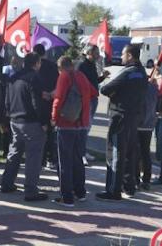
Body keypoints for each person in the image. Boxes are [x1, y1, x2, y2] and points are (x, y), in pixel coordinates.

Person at [96, 44, 147, 201]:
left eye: (124, 54)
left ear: (130, 56)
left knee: (116, 153)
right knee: (130, 154)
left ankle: (113, 191)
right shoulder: (142, 72)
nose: (122, 57)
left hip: (120, 116)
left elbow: (105, 89)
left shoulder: (127, 72)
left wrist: (114, 92)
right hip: (134, 116)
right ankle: (129, 187)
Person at [1, 52, 49, 201]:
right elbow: (37, 103)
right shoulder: (34, 78)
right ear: (36, 63)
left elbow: (7, 99)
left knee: (14, 152)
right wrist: (43, 122)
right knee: (33, 157)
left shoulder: (14, 77)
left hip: (15, 119)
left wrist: (7, 117)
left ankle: (7, 183)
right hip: (31, 122)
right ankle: (30, 190)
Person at [50, 56, 98, 207]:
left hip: (66, 124)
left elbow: (58, 99)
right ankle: (80, 192)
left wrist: (53, 118)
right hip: (81, 124)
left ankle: (67, 197)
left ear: (60, 68)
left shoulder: (64, 77)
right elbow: (94, 92)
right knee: (78, 159)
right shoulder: (81, 76)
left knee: (64, 161)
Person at [77, 45, 110, 165]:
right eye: (96, 53)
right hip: (86, 100)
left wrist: (103, 77)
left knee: (88, 126)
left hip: (93, 99)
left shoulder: (92, 65)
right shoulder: (82, 65)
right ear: (89, 53)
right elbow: (81, 83)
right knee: (84, 127)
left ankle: (83, 151)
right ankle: (80, 154)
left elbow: (94, 81)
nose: (98, 56)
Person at [33, 44, 60, 169]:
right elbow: (58, 82)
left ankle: (40, 159)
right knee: (50, 132)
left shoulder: (33, 67)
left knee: (38, 131)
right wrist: (52, 93)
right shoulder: (53, 66)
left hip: (38, 102)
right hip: (51, 101)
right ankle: (51, 158)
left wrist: (42, 94)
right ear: (44, 53)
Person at [136, 77, 159, 191]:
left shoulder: (139, 88)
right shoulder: (154, 89)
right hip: (149, 125)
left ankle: (135, 178)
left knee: (135, 152)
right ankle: (146, 180)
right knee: (146, 153)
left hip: (138, 124)